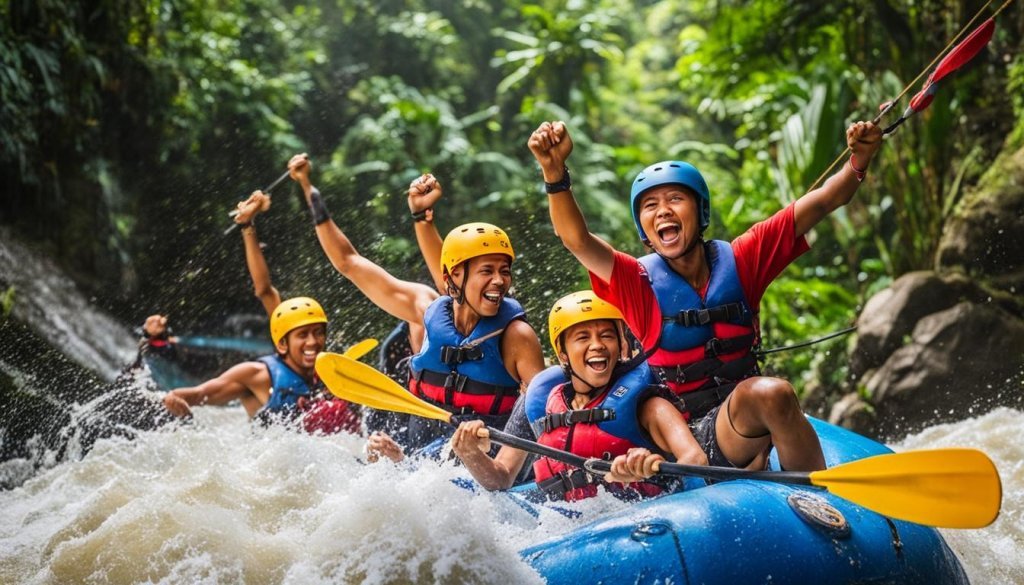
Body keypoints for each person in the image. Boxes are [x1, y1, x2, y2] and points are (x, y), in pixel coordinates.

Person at [528, 120, 884, 472]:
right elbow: (577, 240)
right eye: (650, 205)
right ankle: (809, 490)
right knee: (772, 393)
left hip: (745, 421)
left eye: (675, 199)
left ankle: (815, 496)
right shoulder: (636, 282)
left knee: (771, 396)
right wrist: (555, 174)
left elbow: (821, 203)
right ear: (645, 233)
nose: (663, 210)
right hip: (687, 438)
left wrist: (859, 161)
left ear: (700, 213)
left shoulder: (744, 260)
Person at [289, 154, 545, 456]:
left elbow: (539, 417)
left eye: (504, 271)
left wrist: (501, 470)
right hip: (420, 457)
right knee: (378, 455)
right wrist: (311, 193)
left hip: (487, 460)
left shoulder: (516, 337)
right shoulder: (427, 310)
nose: (500, 281)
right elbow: (349, 263)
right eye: (487, 271)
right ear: (454, 280)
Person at [450, 291, 707, 501]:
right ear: (563, 354)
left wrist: (653, 464)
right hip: (566, 525)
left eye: (607, 335)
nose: (597, 345)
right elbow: (501, 478)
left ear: (621, 346)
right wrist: (470, 453)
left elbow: (695, 459)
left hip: (644, 519)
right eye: (582, 337)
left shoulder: (649, 405)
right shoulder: (541, 404)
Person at [160, 296, 359, 434]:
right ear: (282, 344)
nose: (313, 342)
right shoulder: (256, 375)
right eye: (302, 335)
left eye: (318, 332)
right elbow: (196, 395)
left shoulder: (332, 373)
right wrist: (178, 406)